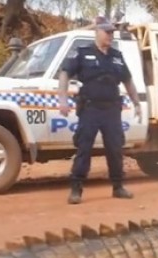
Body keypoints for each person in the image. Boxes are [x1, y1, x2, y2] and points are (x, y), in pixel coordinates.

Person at [57, 16, 142, 205]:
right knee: (84, 148)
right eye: (107, 32)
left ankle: (118, 186)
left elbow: (128, 81)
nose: (111, 35)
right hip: (90, 108)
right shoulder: (83, 52)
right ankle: (76, 188)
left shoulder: (117, 56)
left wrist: (137, 103)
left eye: (112, 32)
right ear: (97, 32)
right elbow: (64, 73)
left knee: (115, 148)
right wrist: (62, 99)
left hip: (112, 109)